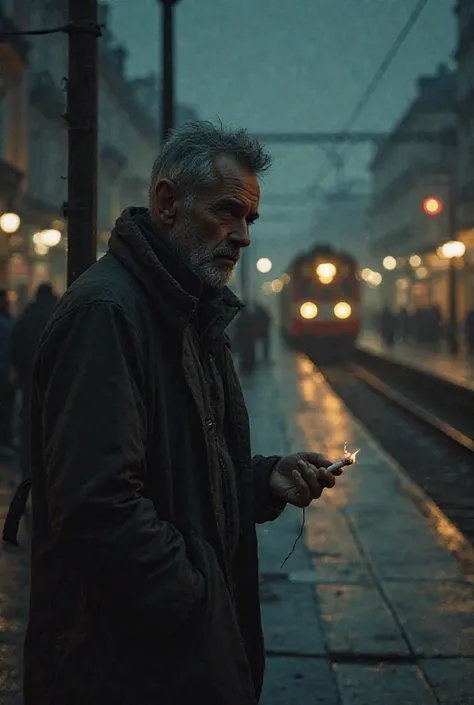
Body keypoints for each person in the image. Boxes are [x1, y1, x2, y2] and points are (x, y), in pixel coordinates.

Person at [24, 121, 342, 705]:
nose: (242, 236)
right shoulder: (108, 313)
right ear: (168, 203)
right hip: (128, 665)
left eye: (249, 220)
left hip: (165, 654)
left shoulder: (189, 311)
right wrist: (195, 601)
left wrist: (260, 479)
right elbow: (98, 508)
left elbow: (180, 469)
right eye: (227, 213)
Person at [10, 282, 58, 480]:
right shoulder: (58, 313)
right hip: (55, 381)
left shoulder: (26, 317)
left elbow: (15, 347)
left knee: (29, 429)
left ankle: (28, 475)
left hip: (29, 380)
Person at [0, 289, 15, 452]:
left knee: (7, 409)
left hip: (6, 373)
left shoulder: (10, 320)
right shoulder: (9, 322)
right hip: (6, 373)